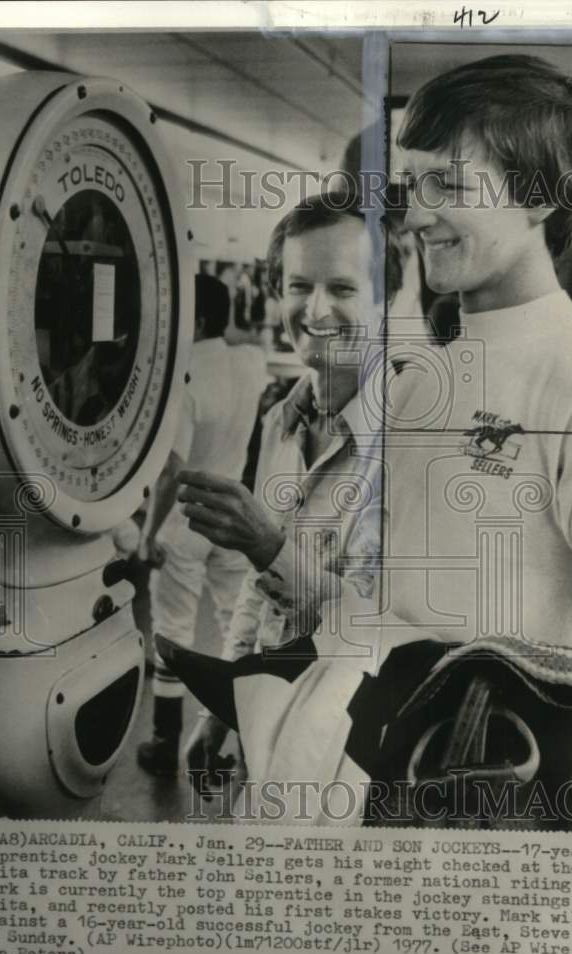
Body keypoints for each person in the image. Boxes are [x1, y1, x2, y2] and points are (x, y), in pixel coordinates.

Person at [383, 54, 572, 806]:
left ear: (542, 196)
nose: (414, 214)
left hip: (468, 817)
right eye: (412, 184)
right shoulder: (423, 373)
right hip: (365, 781)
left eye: (447, 183)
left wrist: (473, 764)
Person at [173, 197, 404, 794]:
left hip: (349, 763)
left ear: (385, 302)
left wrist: (269, 544)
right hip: (267, 732)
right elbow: (257, 589)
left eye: (344, 289)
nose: (316, 308)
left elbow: (381, 629)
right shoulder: (282, 420)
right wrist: (222, 709)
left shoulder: (410, 439)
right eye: (298, 285)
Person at [136, 272, 267, 774]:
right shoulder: (252, 364)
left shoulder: (187, 379)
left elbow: (171, 468)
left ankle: (164, 743)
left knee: (172, 628)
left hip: (186, 519)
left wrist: (148, 537)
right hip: (231, 510)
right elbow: (250, 343)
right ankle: (244, 737)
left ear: (200, 319)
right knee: (236, 623)